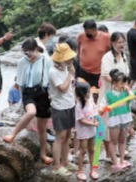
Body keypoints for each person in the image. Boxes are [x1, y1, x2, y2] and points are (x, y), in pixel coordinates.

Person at [3, 38, 52, 164]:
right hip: (28, 92)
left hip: (43, 93)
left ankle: (43, 155)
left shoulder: (45, 60)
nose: (28, 55)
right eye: (25, 52)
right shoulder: (22, 62)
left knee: (42, 127)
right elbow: (20, 82)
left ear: (36, 49)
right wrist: (21, 100)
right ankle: (13, 134)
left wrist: (52, 97)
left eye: (30, 52)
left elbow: (50, 79)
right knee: (31, 112)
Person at [98, 32, 130, 161]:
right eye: (119, 42)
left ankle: (118, 150)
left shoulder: (124, 56)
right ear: (112, 43)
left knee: (120, 122)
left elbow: (126, 75)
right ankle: (108, 153)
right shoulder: (107, 57)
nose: (121, 45)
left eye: (123, 42)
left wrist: (125, 87)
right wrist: (119, 85)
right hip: (109, 94)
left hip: (121, 96)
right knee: (107, 123)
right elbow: (106, 75)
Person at [49, 43, 78, 176]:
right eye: (69, 57)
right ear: (61, 59)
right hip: (59, 107)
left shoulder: (66, 68)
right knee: (59, 137)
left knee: (67, 136)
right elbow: (62, 88)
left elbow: (71, 87)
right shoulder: (53, 71)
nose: (72, 60)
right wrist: (70, 75)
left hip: (69, 105)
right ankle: (56, 166)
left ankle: (66, 162)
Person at [100, 69, 132, 172]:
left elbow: (134, 97)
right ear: (114, 83)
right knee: (113, 141)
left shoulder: (126, 93)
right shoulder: (108, 94)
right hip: (114, 120)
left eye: (124, 82)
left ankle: (122, 160)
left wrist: (128, 91)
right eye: (121, 82)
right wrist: (101, 109)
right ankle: (115, 162)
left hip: (125, 119)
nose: (123, 85)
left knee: (122, 140)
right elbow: (102, 105)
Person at [75, 82, 99, 180]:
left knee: (92, 150)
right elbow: (81, 120)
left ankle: (92, 169)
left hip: (91, 131)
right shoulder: (79, 105)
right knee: (83, 151)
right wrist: (93, 124)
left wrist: (96, 120)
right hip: (84, 132)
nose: (90, 93)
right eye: (88, 91)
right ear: (83, 93)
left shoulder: (90, 101)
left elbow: (95, 112)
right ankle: (80, 171)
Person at [77, 19, 110, 87]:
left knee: (97, 92)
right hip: (83, 71)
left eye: (89, 32)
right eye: (85, 32)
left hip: (98, 73)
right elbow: (77, 49)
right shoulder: (81, 36)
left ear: (95, 30)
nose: (87, 34)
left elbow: (111, 51)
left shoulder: (106, 37)